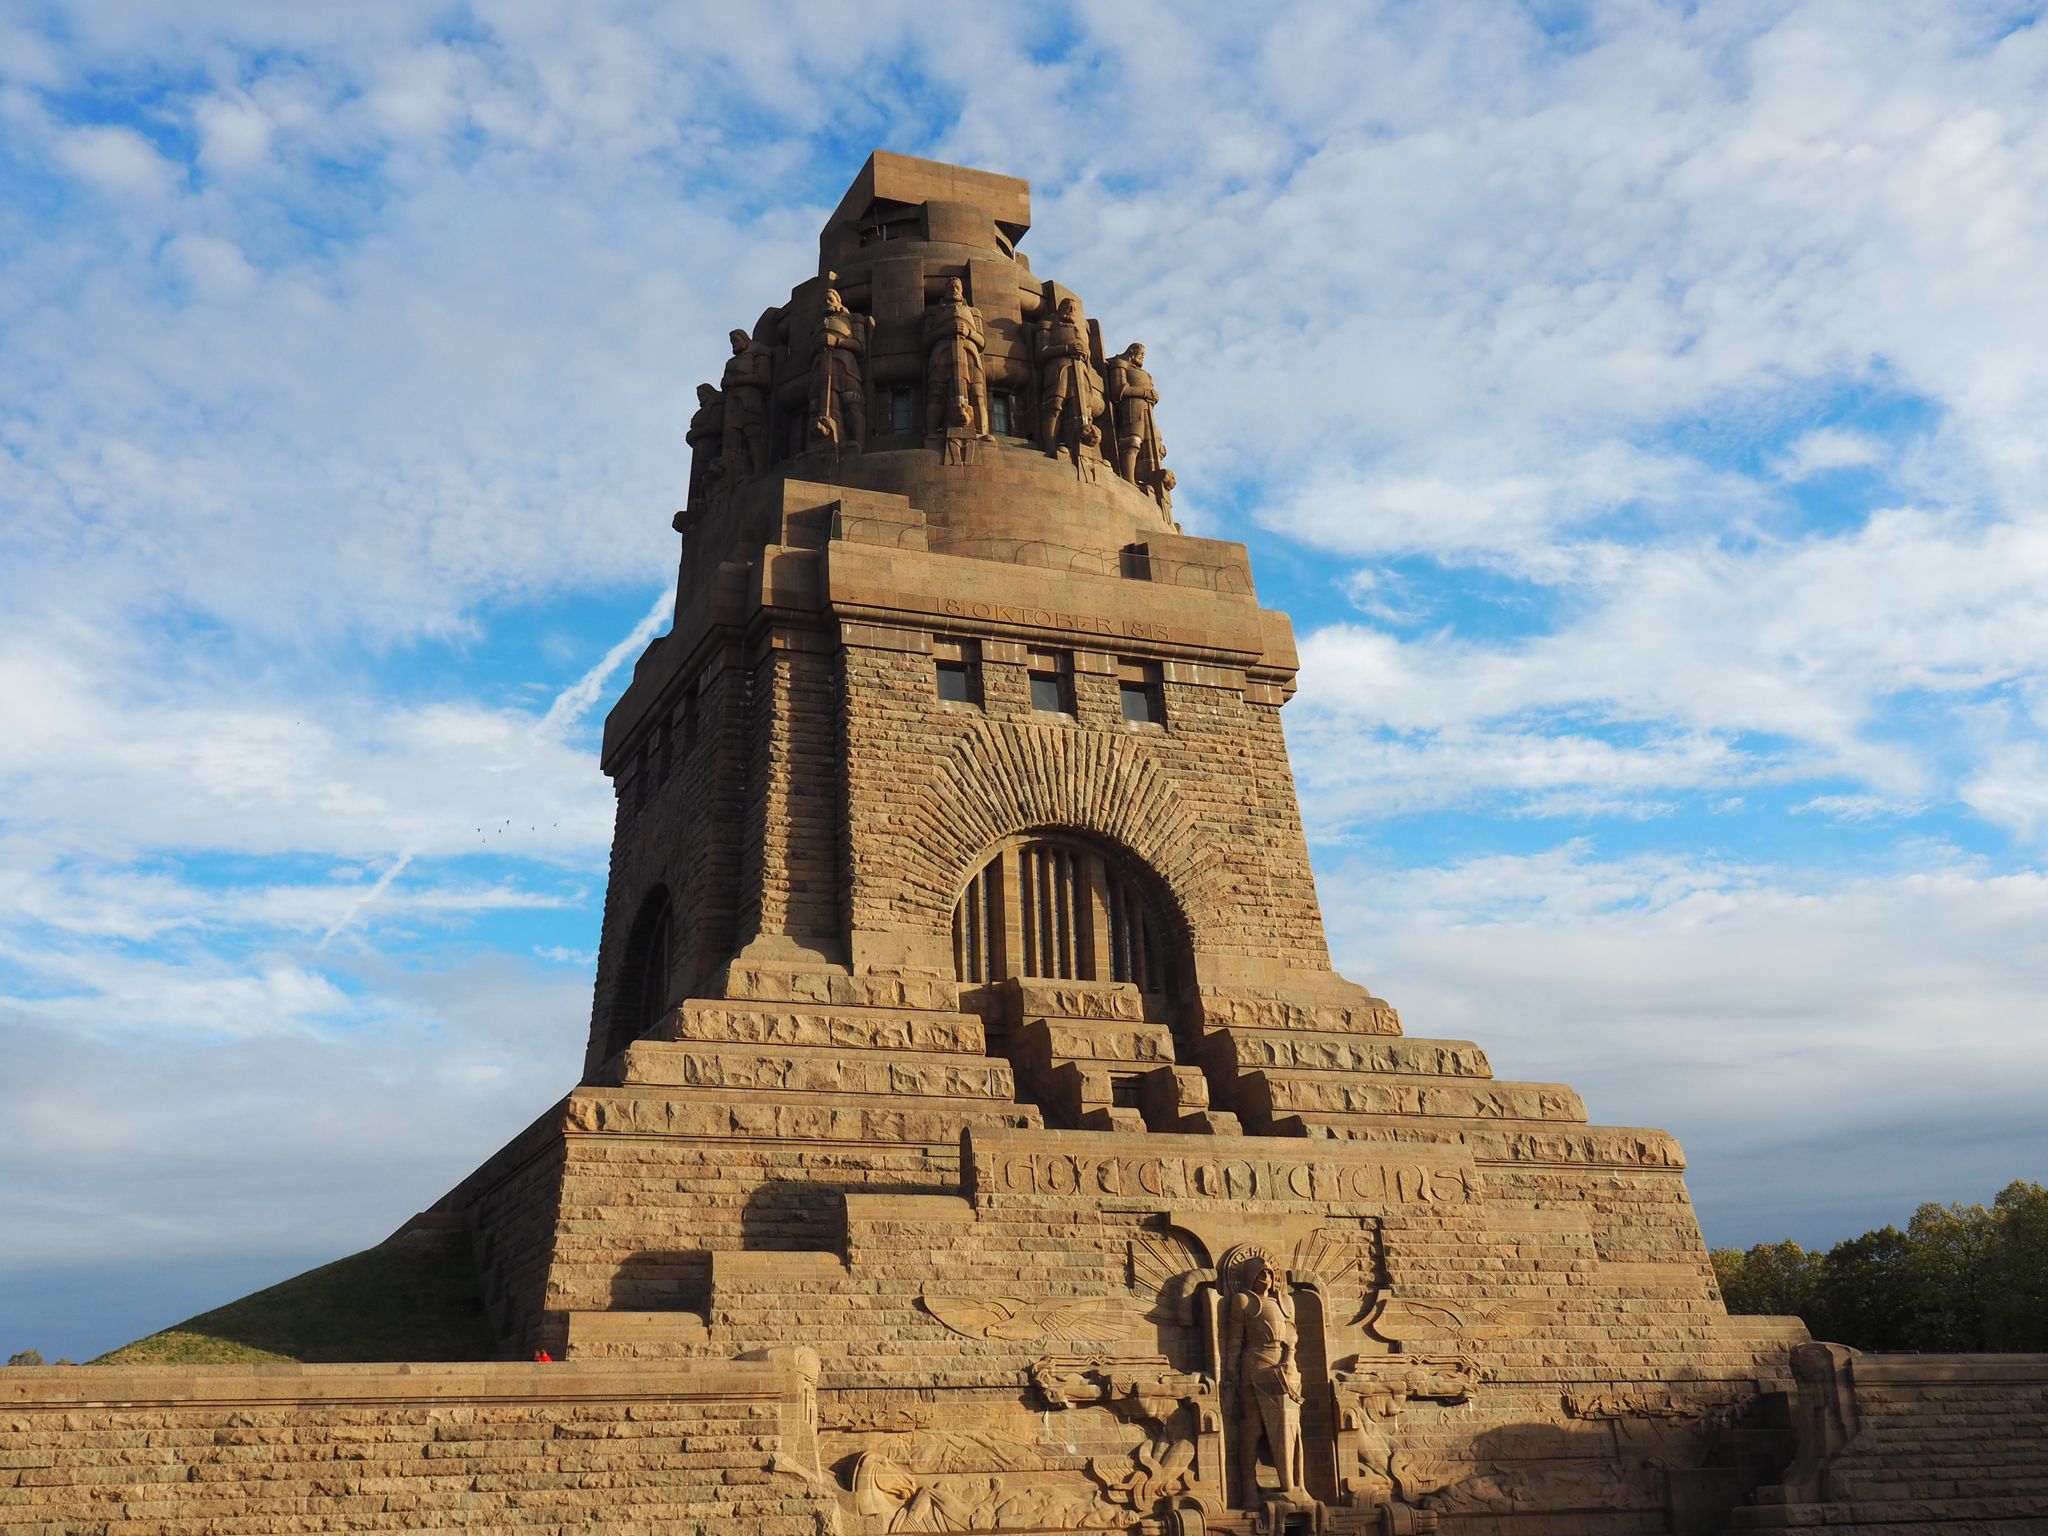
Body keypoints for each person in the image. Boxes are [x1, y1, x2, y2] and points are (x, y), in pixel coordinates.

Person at [1224, 1253, 1305, 1506]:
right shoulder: (1244, 1300)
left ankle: (1295, 1486)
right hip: (1255, 1363)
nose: (1267, 1277)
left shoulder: (1285, 1301)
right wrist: (1230, 1371)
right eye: (1262, 1273)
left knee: (1293, 1428)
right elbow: (1236, 1339)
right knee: (1254, 1426)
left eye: (1270, 1273)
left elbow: (1292, 1335)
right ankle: (1249, 1488)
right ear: (1251, 1277)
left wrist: (1290, 1358)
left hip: (1286, 1366)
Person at [1032, 296, 1102, 460]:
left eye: (1073, 308)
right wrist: (1067, 348)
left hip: (1080, 372)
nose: (1071, 311)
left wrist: (1085, 356)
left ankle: (1076, 447)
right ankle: (1050, 446)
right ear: (1059, 309)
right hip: (1058, 369)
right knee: (1054, 405)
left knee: (1082, 409)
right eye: (1067, 306)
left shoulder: (1078, 331)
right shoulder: (1047, 326)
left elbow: (1090, 361)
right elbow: (1041, 352)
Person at [923, 277, 990, 436]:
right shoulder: (933, 312)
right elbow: (925, 341)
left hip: (970, 354)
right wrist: (945, 331)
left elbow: (982, 341)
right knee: (936, 392)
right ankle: (932, 432)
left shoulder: (974, 312)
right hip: (941, 354)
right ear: (945, 290)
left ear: (962, 291)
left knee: (977, 393)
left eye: (957, 287)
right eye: (951, 286)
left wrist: (968, 332)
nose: (954, 289)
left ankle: (982, 432)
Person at [809, 287, 871, 447]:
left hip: (845, 365)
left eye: (830, 299)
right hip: (820, 367)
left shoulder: (853, 318)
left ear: (839, 301)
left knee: (851, 401)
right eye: (824, 300)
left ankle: (859, 443)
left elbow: (860, 346)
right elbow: (810, 352)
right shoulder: (817, 325)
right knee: (817, 406)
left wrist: (836, 341)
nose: (827, 303)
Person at [1104, 342, 1166, 491]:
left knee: (1148, 445)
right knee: (1132, 441)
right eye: (1141, 354)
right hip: (1132, 408)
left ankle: (1140, 478)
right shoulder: (1120, 364)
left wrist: (1153, 397)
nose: (1143, 358)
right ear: (1132, 352)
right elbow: (1119, 390)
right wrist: (1145, 393)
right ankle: (1128, 478)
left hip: (1146, 411)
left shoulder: (1140, 371)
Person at [718, 328, 771, 478]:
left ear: (744, 339)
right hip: (732, 403)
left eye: (735, 340)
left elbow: (764, 379)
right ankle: (734, 475)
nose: (733, 344)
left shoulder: (759, 352)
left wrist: (735, 381)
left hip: (750, 399)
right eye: (731, 342)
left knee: (752, 432)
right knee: (732, 439)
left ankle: (759, 470)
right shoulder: (731, 362)